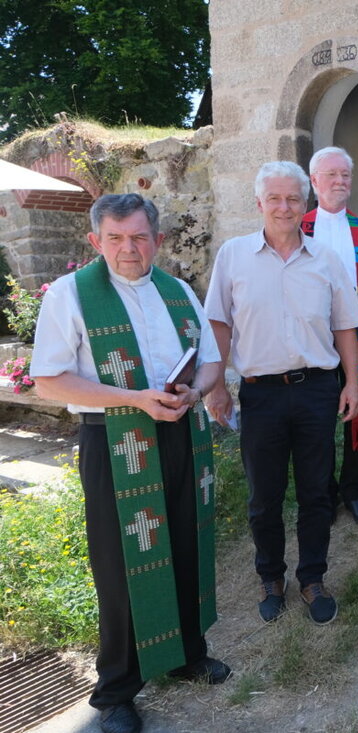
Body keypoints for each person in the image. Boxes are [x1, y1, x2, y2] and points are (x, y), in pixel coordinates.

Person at [32, 194, 229, 733]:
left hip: (181, 434)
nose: (128, 249)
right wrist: (135, 400)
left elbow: (211, 362)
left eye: (139, 237)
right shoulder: (71, 295)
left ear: (157, 240)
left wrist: (194, 392)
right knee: (120, 567)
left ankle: (187, 653)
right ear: (95, 241)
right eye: (115, 238)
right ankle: (117, 689)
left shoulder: (179, 291)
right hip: (114, 442)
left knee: (187, 542)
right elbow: (48, 379)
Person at [204, 161, 358, 626]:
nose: (284, 206)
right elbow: (218, 323)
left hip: (316, 389)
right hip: (261, 395)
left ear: (305, 204)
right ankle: (270, 577)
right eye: (274, 198)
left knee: (317, 492)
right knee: (264, 496)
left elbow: (344, 325)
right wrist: (217, 386)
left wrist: (351, 382)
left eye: (293, 198)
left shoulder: (327, 260)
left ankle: (312, 578)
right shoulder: (233, 256)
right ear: (259, 204)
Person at [303, 146, 358, 527]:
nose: (340, 182)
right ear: (314, 181)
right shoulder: (299, 227)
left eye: (346, 175)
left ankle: (355, 490)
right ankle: (323, 492)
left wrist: (348, 311)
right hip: (313, 338)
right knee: (317, 414)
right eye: (332, 175)